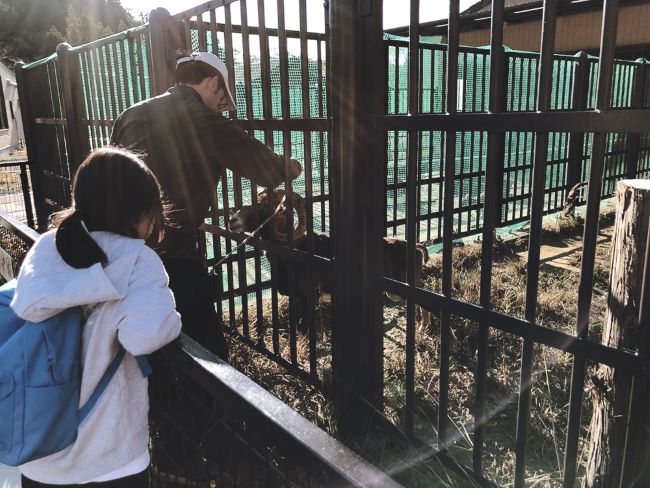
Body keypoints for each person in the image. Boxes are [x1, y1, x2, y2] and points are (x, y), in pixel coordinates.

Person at [110, 50, 302, 361]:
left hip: (119, 245)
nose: (221, 108)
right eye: (223, 100)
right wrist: (290, 166)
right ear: (212, 82)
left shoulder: (130, 114)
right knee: (207, 352)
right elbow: (265, 167)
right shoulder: (202, 119)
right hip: (170, 249)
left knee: (142, 333)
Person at [13, 147, 182, 487]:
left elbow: (23, 304)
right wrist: (173, 318)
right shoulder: (138, 260)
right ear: (139, 212)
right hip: (111, 457)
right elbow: (143, 336)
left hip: (39, 456)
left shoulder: (47, 249)